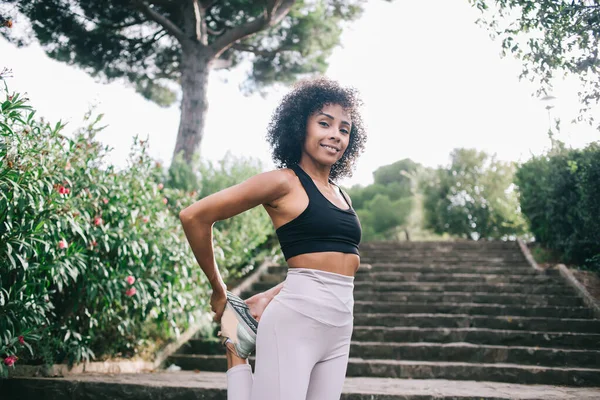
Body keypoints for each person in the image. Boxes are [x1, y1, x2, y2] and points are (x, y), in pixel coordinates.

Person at [179, 77, 367, 400]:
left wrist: (269, 295)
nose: (335, 134)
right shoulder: (284, 182)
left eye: (344, 129)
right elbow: (194, 216)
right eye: (324, 123)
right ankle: (235, 353)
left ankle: (234, 348)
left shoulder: (342, 195)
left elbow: (335, 266)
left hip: (339, 328)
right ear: (300, 127)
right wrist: (218, 289)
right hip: (294, 324)